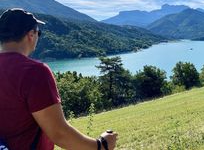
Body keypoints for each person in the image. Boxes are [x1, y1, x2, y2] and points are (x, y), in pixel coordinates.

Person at [0, 8, 117, 150]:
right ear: (31, 34)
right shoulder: (34, 72)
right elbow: (59, 133)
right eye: (39, 33)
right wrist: (101, 145)